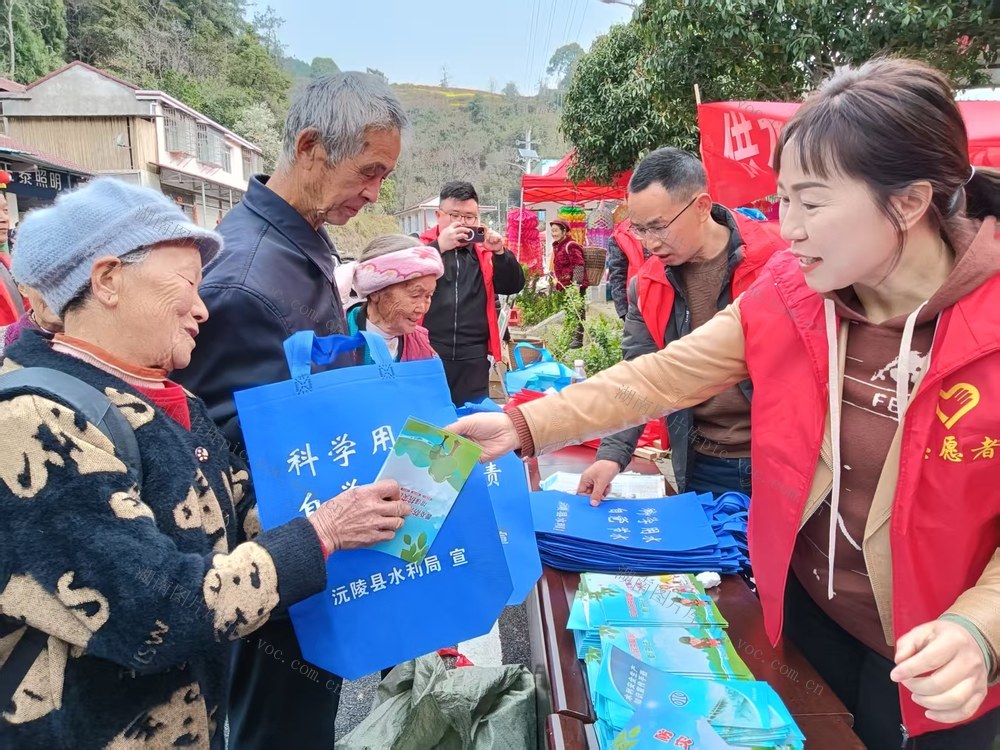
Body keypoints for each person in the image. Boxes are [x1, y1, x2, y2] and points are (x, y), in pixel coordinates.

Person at [450, 58, 1000, 749]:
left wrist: (981, 627)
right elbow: (661, 375)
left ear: (910, 202)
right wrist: (523, 423)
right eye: (783, 200)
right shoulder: (794, 295)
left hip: (940, 653)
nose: (790, 227)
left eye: (812, 203)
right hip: (807, 613)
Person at [0, 179, 410, 749]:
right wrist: (324, 532)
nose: (201, 308)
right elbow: (157, 610)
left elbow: (243, 514)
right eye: (187, 284)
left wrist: (377, 506)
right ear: (108, 280)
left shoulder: (169, 397)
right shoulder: (31, 420)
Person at [174, 72, 407, 750]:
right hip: (276, 568)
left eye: (384, 176)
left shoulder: (296, 244)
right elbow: (211, 451)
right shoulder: (247, 277)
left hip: (312, 545)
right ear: (310, 148)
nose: (374, 192)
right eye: (368, 171)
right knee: (279, 729)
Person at [580, 148, 784, 503]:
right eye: (640, 229)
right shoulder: (648, 285)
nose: (650, 243)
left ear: (702, 207)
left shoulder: (776, 261)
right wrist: (611, 456)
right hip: (703, 461)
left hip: (782, 458)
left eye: (659, 227)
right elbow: (640, 375)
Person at [420, 181, 525, 406]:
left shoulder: (484, 251)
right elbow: (406, 277)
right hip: (427, 350)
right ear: (439, 215)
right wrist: (439, 247)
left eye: (469, 217)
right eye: (454, 215)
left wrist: (500, 252)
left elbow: (512, 285)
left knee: (473, 417)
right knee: (429, 414)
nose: (462, 222)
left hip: (474, 355)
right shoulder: (421, 247)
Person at [343, 234, 443, 362]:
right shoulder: (334, 336)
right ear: (376, 291)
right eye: (415, 295)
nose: (422, 308)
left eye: (428, 296)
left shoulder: (422, 347)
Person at [550, 219, 588, 348]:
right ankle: (571, 336)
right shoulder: (558, 246)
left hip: (574, 285)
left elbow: (579, 265)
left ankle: (578, 339)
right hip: (565, 285)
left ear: (564, 231)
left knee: (578, 310)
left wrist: (576, 285)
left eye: (556, 231)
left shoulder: (571, 245)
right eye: (552, 231)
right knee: (569, 310)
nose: (553, 233)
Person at [606, 216, 649, 320]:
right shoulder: (619, 236)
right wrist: (624, 312)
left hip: (672, 303)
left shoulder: (667, 225)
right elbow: (617, 275)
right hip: (637, 306)